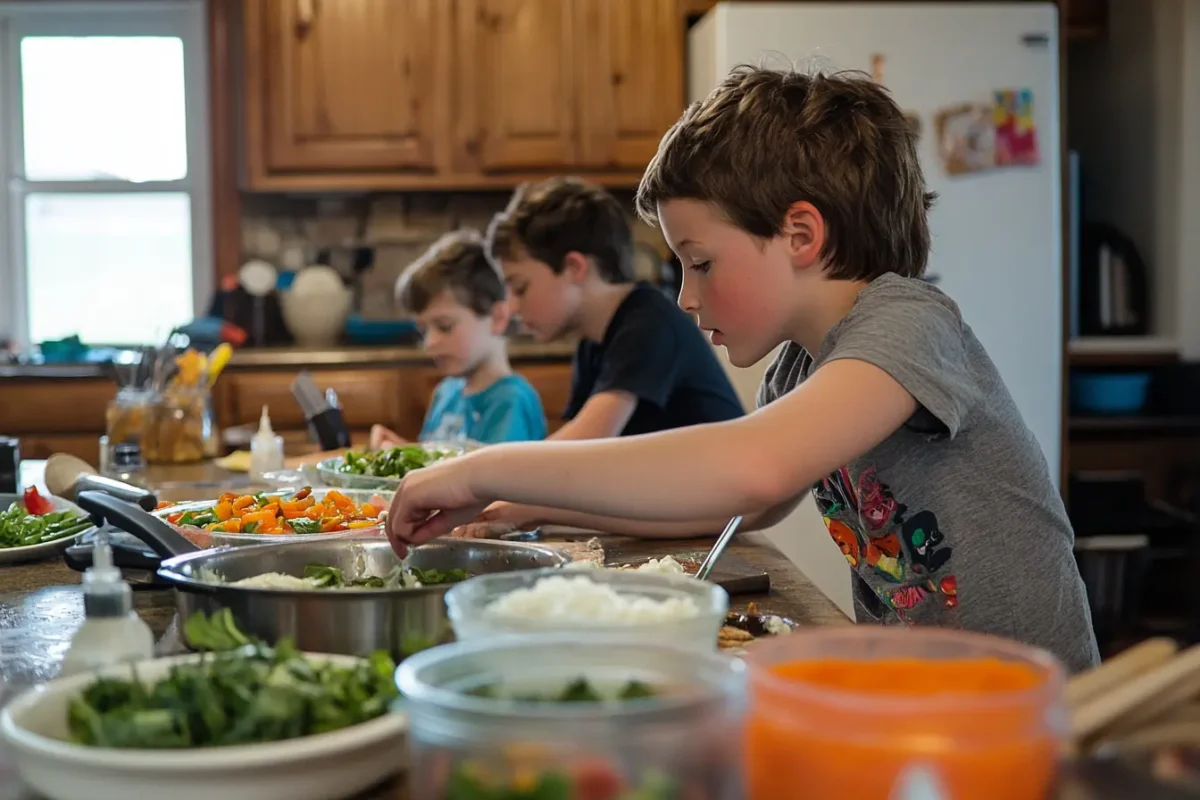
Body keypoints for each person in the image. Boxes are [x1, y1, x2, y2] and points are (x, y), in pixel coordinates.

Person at [385, 66, 1099, 673]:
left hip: (1037, 709)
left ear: (800, 235)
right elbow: (741, 508)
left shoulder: (911, 323)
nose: (687, 297)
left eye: (699, 263)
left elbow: (749, 470)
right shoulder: (796, 368)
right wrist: (535, 508)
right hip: (922, 692)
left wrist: (488, 470)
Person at [369, 229, 547, 447]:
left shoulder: (511, 400)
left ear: (497, 318)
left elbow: (492, 478)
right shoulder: (445, 394)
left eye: (444, 326)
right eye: (424, 330)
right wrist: (402, 451)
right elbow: (436, 465)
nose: (430, 342)